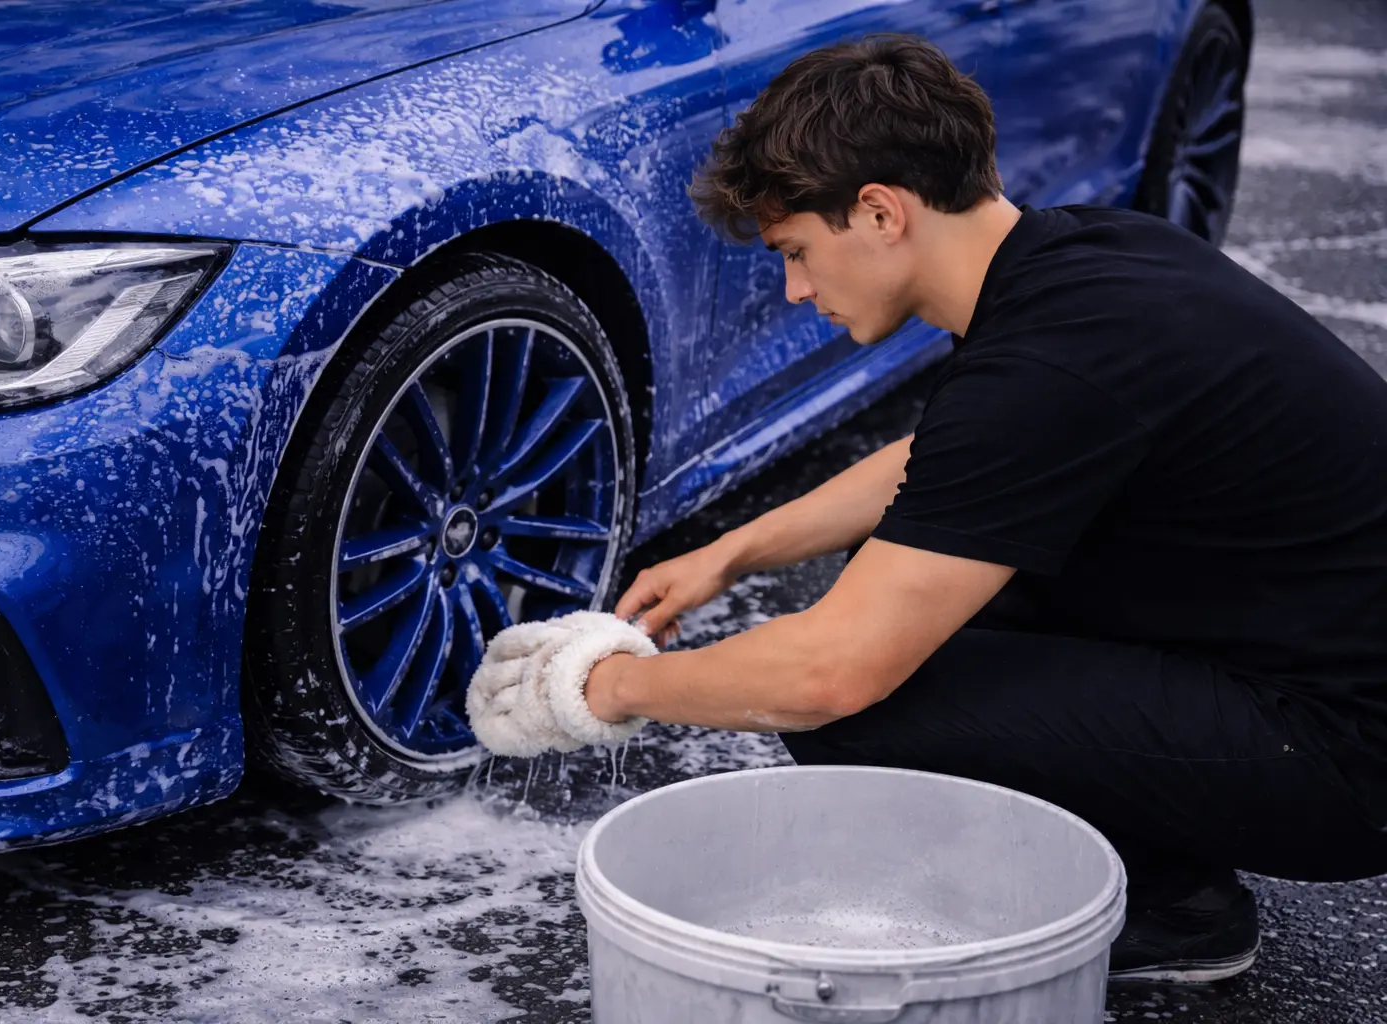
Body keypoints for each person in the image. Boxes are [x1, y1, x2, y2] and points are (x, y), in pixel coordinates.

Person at [579, 34, 1387, 982]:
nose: (797, 290)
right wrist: (731, 552)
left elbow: (830, 677)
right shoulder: (1089, 252)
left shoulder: (1049, 361)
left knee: (862, 705)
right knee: (909, 579)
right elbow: (943, 463)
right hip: (1316, 659)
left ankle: (1174, 908)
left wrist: (602, 689)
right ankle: (1166, 868)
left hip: (1348, 759)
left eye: (795, 251)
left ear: (880, 212)